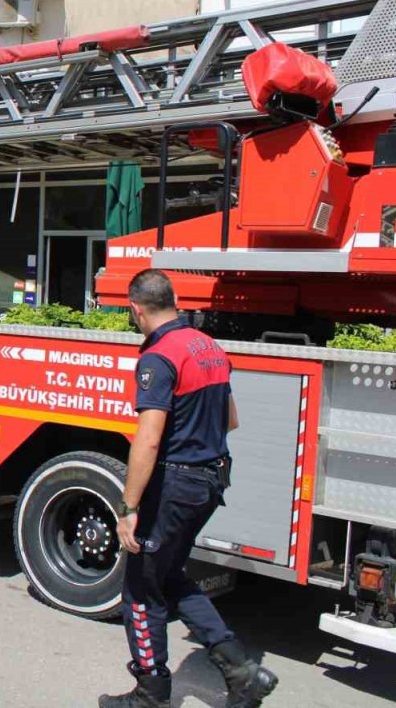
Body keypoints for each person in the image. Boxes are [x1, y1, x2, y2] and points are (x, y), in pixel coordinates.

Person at [100, 269, 278, 708]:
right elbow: (231, 419)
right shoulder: (209, 347)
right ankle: (241, 673)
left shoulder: (159, 357)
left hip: (176, 483)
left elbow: (149, 437)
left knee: (141, 588)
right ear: (173, 301)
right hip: (209, 481)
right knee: (170, 576)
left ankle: (151, 694)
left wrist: (129, 506)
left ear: (135, 309)